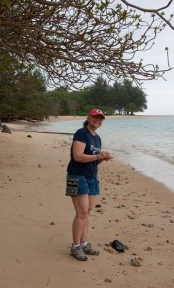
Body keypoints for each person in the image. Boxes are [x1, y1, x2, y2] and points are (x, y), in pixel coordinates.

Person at [66, 108, 113, 261]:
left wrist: (102, 158)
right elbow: (77, 156)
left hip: (92, 177)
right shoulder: (81, 133)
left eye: (101, 119)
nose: (98, 121)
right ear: (89, 117)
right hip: (77, 176)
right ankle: (75, 247)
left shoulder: (97, 138)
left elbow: (93, 160)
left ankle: (84, 243)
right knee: (81, 212)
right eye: (95, 117)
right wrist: (97, 155)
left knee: (88, 211)